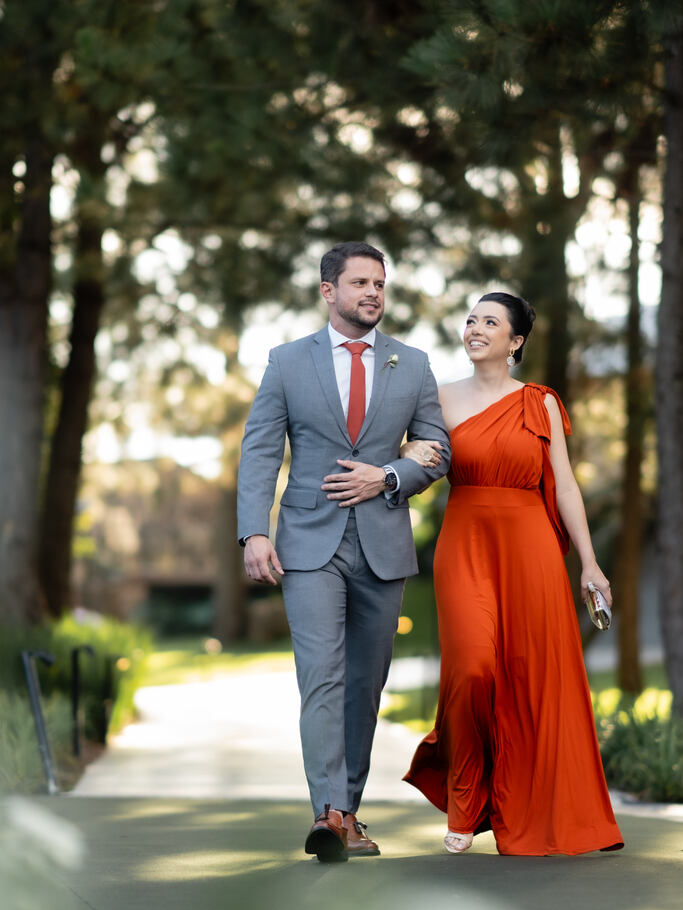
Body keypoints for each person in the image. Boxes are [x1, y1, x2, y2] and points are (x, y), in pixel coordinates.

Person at [237, 241, 451, 862]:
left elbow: (436, 445)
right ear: (328, 290)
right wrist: (254, 531)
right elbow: (258, 451)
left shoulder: (410, 365)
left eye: (380, 284)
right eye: (360, 283)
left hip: (383, 545)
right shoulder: (286, 362)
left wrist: (386, 477)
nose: (373, 294)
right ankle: (328, 814)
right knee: (322, 677)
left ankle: (349, 810)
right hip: (308, 543)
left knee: (366, 681)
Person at [402, 292, 624, 856]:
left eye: (490, 322)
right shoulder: (437, 398)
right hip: (466, 544)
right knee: (472, 670)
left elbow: (566, 484)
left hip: (532, 548)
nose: (475, 328)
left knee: (531, 678)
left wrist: (590, 563)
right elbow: (414, 458)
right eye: (471, 319)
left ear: (515, 340)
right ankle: (466, 797)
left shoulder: (539, 402)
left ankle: (531, 808)